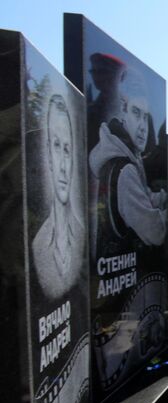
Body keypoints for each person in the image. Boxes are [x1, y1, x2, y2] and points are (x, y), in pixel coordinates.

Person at [89, 68, 167, 253]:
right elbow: (156, 233)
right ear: (123, 111)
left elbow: (144, 196)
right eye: (136, 112)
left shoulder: (126, 155)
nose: (142, 126)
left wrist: (164, 197)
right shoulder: (126, 170)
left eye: (145, 117)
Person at [33, 94, 86, 300]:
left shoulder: (81, 235)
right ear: (47, 153)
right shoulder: (39, 245)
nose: (63, 166)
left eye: (67, 149)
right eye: (56, 146)